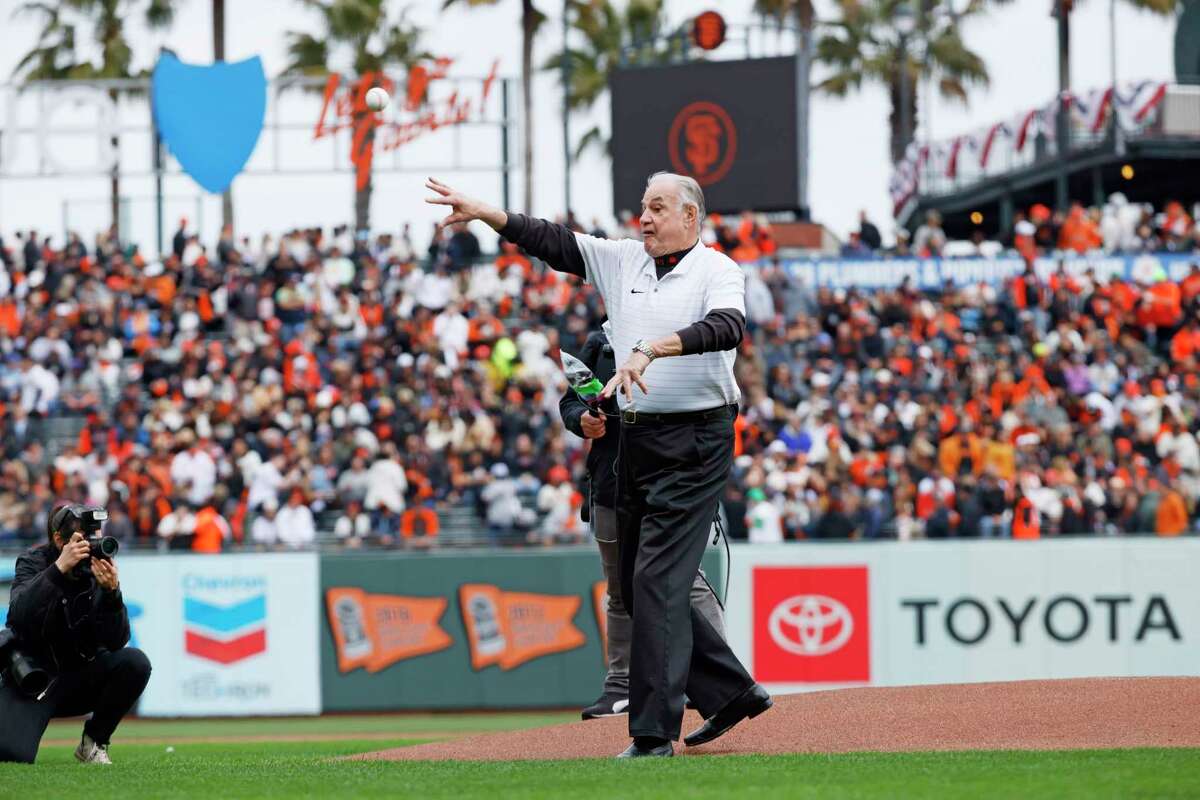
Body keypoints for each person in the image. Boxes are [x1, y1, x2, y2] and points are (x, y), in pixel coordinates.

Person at [427, 172, 770, 759]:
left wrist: (653, 347)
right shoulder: (623, 260)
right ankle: (731, 692)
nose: (644, 218)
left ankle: (652, 734)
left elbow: (728, 328)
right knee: (638, 591)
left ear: (691, 217)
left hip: (697, 439)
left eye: (657, 208)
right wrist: (486, 211)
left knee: (657, 581)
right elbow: (552, 241)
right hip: (636, 440)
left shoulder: (718, 269)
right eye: (642, 207)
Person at [559, 327, 728, 720]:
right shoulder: (599, 341)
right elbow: (570, 401)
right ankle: (620, 685)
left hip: (665, 477)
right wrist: (581, 419)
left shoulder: (671, 331)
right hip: (610, 480)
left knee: (686, 579)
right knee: (620, 586)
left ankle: (718, 679)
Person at [0, 503, 151, 764]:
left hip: (80, 677)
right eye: (82, 539)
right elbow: (18, 617)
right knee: (12, 755)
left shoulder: (95, 567)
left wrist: (112, 595)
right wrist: (57, 571)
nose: (90, 545)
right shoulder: (33, 562)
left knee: (135, 663)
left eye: (95, 537)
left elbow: (117, 640)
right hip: (34, 681)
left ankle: (93, 742)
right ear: (59, 539)